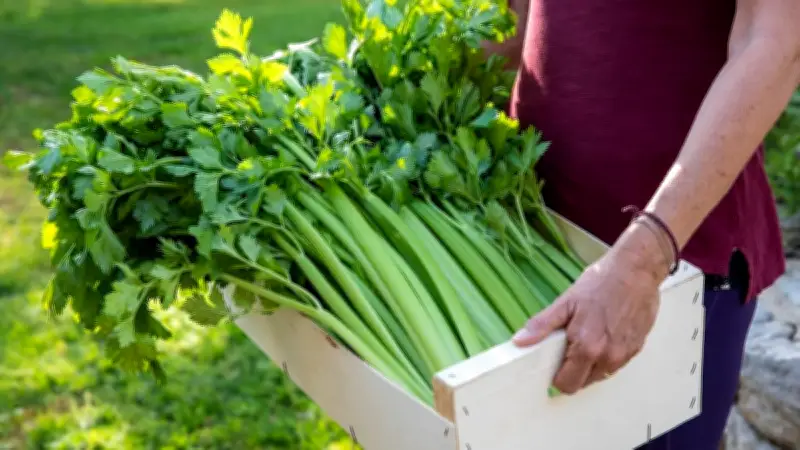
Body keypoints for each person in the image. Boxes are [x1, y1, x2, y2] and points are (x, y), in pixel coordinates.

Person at [485, 0, 800, 448]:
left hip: (668, 271)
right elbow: (517, 18)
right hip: (526, 233)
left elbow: (775, 44)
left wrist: (641, 263)